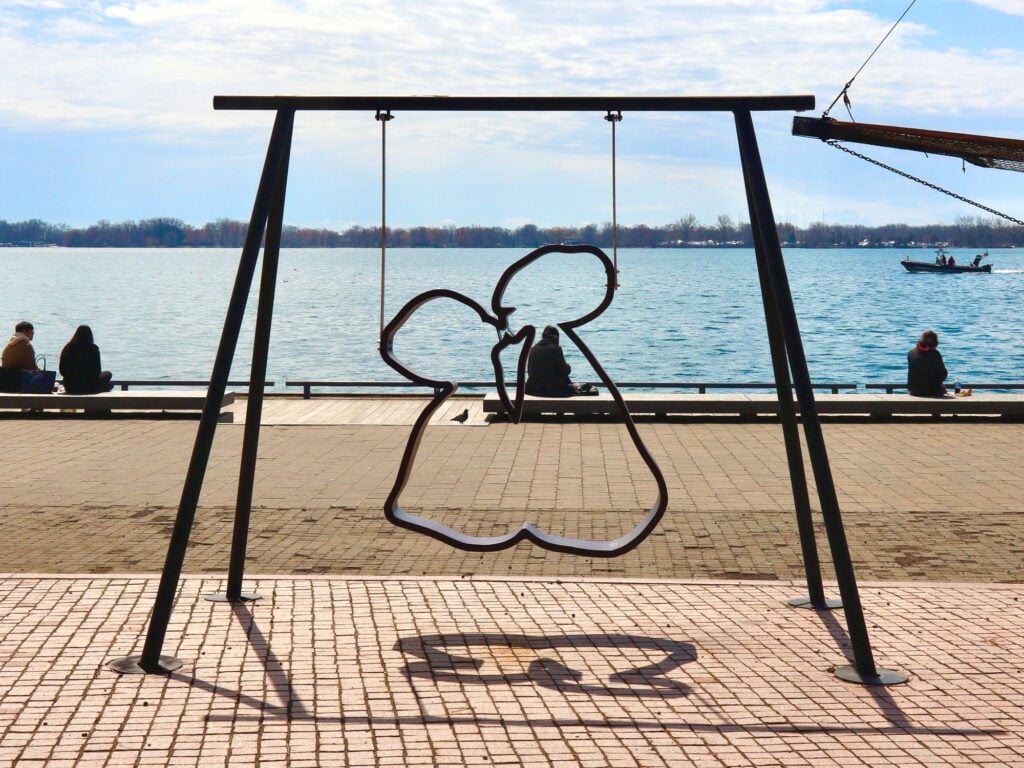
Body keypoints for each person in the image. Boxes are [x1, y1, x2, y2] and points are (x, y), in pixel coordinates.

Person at [59, 325, 113, 394]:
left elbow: (62, 371)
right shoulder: (93, 349)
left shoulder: (68, 348)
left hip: (70, 387)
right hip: (89, 386)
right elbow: (97, 371)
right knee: (108, 375)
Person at [525, 325, 575, 396]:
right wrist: (568, 367)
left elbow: (530, 371)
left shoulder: (533, 349)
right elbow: (564, 370)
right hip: (550, 389)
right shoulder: (556, 348)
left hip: (532, 389)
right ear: (556, 337)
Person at [907, 329, 948, 397]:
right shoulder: (935, 354)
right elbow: (943, 374)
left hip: (914, 391)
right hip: (931, 391)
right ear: (935, 342)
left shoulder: (911, 353)